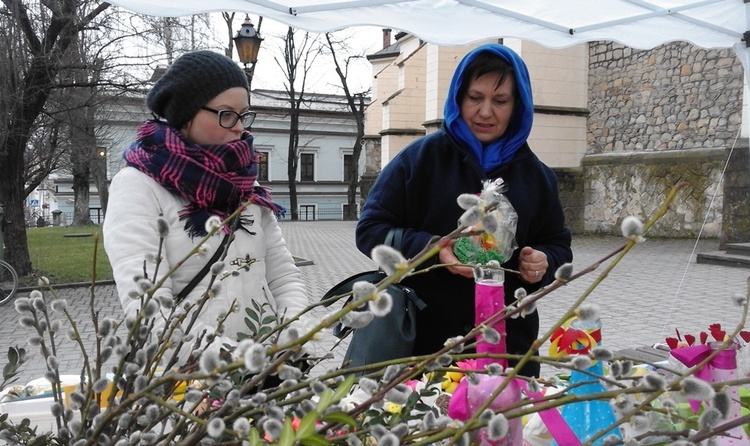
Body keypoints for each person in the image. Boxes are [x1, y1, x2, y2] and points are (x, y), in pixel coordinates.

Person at [355, 43, 573, 377]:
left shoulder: (537, 177)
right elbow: (370, 229)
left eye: (500, 101)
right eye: (475, 98)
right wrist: (432, 248)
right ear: (459, 98)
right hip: (423, 353)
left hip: (508, 352)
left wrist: (544, 262)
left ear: (519, 105)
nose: (486, 112)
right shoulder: (420, 161)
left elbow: (558, 243)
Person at [103, 50, 308, 360]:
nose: (240, 127)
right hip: (191, 381)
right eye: (226, 114)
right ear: (186, 115)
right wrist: (230, 362)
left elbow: (282, 275)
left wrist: (294, 335)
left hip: (268, 370)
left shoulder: (245, 185)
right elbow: (148, 308)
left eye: (244, 114)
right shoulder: (137, 186)